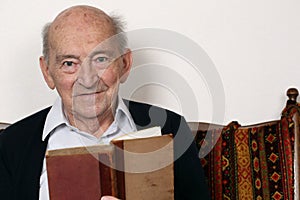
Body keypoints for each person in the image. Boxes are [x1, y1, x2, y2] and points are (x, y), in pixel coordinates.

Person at [0, 5, 210, 200]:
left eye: (101, 59)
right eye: (69, 63)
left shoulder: (171, 128)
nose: (88, 79)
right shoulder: (11, 145)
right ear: (47, 72)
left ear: (124, 64)